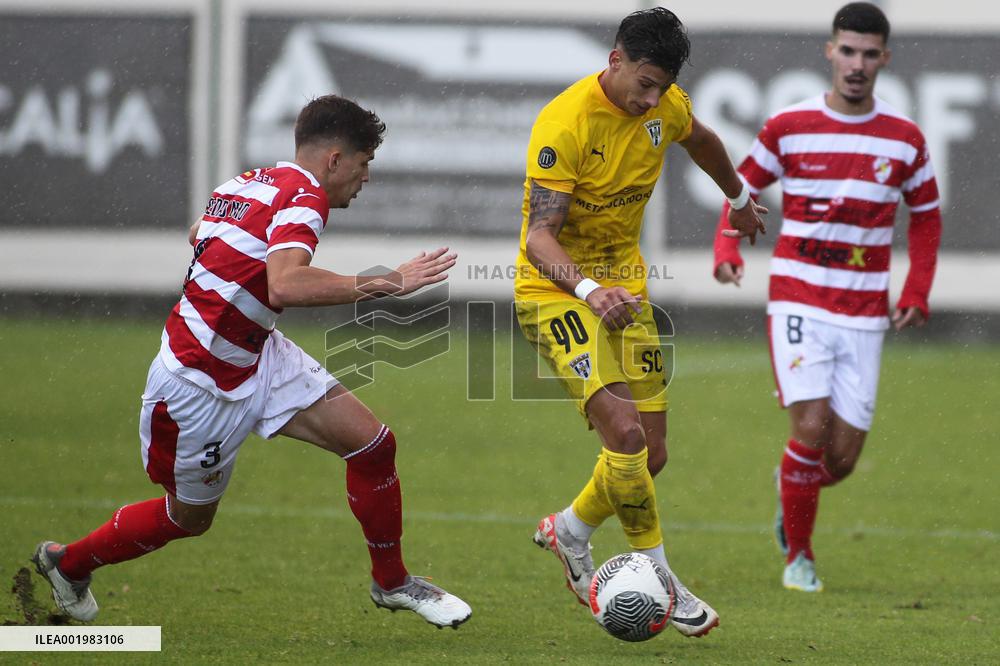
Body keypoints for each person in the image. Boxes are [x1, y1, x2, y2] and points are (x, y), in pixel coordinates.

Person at [31, 95, 472, 628]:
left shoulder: (246, 182)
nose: (366, 177)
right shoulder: (306, 197)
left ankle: (392, 582)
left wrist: (227, 294)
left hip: (258, 353)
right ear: (334, 158)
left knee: (373, 445)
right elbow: (283, 284)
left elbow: (199, 234)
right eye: (364, 162)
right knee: (188, 518)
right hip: (197, 387)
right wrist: (386, 281)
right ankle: (68, 563)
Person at [514, 8, 767, 638]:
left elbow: (704, 140)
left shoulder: (666, 106)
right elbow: (538, 238)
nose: (650, 99)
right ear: (615, 60)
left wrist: (737, 200)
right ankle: (661, 579)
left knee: (649, 455)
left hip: (624, 287)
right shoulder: (564, 124)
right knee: (623, 434)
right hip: (556, 290)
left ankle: (569, 530)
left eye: (661, 89)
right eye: (643, 83)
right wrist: (591, 290)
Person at [713, 2, 942, 593]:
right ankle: (801, 559)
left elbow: (926, 217)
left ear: (884, 59)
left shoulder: (904, 138)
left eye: (870, 53)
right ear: (830, 51)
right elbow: (741, 188)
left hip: (865, 312)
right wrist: (728, 249)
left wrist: (917, 288)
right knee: (810, 425)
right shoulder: (789, 126)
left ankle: (791, 489)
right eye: (848, 50)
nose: (857, 64)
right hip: (798, 299)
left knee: (837, 461)